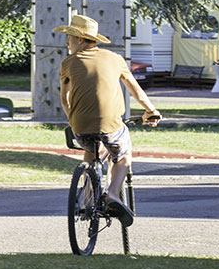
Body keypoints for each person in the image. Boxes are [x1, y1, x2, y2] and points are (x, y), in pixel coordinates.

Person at [56, 13, 160, 225]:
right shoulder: (116, 59)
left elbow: (64, 100)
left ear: (81, 40)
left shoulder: (67, 63)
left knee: (90, 151)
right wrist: (151, 111)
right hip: (111, 125)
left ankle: (86, 199)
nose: (67, 41)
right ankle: (112, 194)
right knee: (122, 155)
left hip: (79, 127)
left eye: (70, 37)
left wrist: (73, 120)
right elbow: (136, 91)